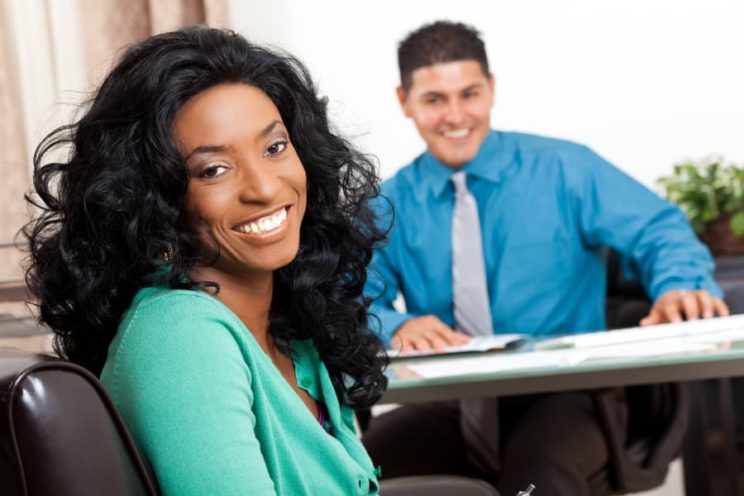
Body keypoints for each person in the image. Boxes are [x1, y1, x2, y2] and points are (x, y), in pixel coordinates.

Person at [361, 20, 729, 496]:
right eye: (434, 99)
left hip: (571, 393)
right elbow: (349, 301)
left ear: (491, 89)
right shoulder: (389, 205)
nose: (455, 115)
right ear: (403, 101)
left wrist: (680, 284)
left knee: (536, 480)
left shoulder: (565, 168)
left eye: (469, 94)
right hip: (459, 400)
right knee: (358, 473)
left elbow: (659, 229)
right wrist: (397, 326)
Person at [24, 26, 388, 495]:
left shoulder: (294, 323)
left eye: (275, 147)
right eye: (213, 169)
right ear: (155, 200)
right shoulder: (180, 337)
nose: (264, 188)